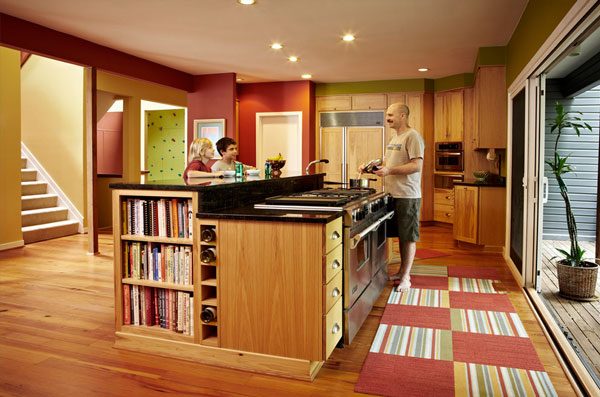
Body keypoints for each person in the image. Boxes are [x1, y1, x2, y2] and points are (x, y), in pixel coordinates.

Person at [371, 103, 424, 292]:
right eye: (387, 114)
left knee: (408, 237)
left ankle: (406, 278)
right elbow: (388, 161)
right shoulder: (394, 138)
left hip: (407, 195)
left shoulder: (413, 136)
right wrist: (373, 165)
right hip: (392, 194)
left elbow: (416, 166)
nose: (387, 118)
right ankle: (402, 272)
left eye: (391, 115)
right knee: (400, 236)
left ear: (403, 116)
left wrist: (389, 170)